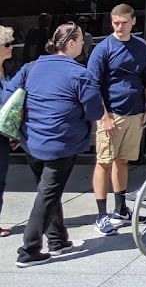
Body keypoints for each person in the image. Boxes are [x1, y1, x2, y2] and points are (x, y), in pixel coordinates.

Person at [3, 23, 104, 268]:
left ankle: (57, 240)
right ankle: (29, 249)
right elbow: (94, 111)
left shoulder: (31, 67)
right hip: (61, 143)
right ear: (70, 43)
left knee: (48, 190)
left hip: (31, 141)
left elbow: (7, 95)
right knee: (47, 193)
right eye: (81, 40)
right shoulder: (80, 73)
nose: (83, 45)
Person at [87, 4, 146, 236]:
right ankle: (101, 214)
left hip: (135, 112)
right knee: (104, 161)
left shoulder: (141, 46)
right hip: (111, 114)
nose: (120, 26)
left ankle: (121, 209)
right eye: (115, 22)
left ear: (133, 21)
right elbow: (93, 86)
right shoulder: (103, 49)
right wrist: (104, 117)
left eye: (124, 22)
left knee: (123, 160)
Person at [0, 24, 18, 238]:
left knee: (1, 179)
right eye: (7, 44)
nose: (11, 46)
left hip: (4, 134)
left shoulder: (8, 70)